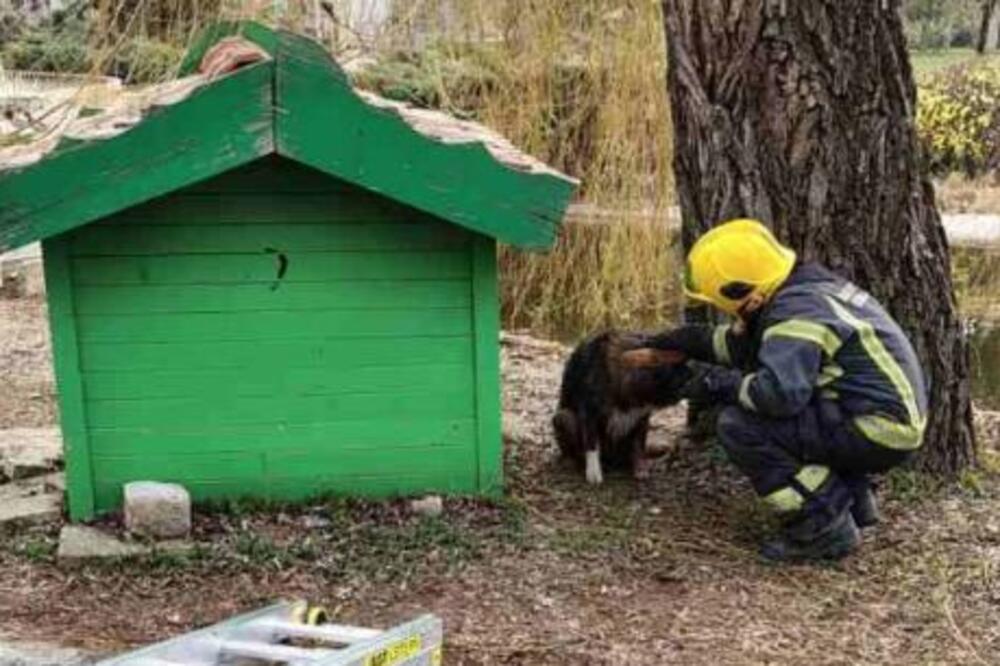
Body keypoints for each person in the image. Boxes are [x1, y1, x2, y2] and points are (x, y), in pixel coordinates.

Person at [651, 219, 928, 562]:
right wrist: (692, 342)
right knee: (802, 413)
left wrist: (713, 383)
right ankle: (853, 498)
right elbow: (755, 347)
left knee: (739, 426)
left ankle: (824, 526)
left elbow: (778, 396)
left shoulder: (794, 314)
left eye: (726, 307)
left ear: (747, 296)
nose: (729, 316)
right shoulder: (803, 289)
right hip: (878, 417)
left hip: (878, 428)